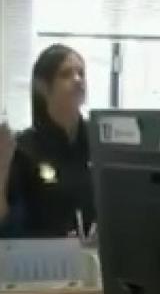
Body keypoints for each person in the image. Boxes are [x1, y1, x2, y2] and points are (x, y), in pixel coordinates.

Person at [0, 44, 94, 238]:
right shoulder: (25, 149)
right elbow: (6, 223)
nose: (78, 80)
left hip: (100, 258)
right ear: (43, 87)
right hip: (45, 261)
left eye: (81, 73)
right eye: (66, 74)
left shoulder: (101, 142)